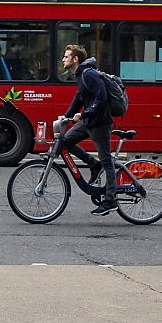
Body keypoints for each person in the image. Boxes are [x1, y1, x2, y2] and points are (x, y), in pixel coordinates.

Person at [56, 44, 118, 216]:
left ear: (75, 59)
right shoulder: (80, 75)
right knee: (64, 142)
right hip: (89, 121)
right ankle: (92, 164)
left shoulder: (89, 74)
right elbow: (80, 97)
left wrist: (83, 114)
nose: (63, 59)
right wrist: (66, 116)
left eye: (66, 56)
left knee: (107, 161)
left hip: (100, 123)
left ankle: (110, 200)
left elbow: (102, 98)